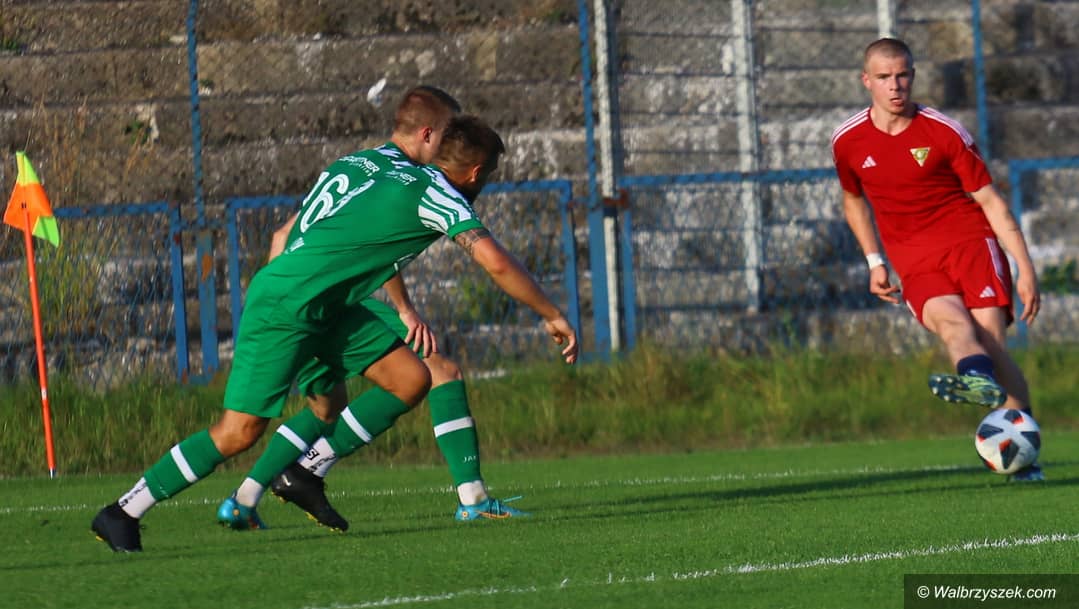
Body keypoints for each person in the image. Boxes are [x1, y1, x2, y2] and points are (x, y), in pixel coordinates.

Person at [90, 114, 579, 552]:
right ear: (475, 174)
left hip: (329, 305)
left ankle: (302, 471)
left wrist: (401, 306)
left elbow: (329, 237)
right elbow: (495, 261)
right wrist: (552, 313)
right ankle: (124, 511)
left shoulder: (387, 170)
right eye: (488, 176)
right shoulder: (439, 194)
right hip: (290, 303)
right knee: (239, 431)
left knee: (410, 378)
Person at [257, 87, 528, 532]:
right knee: (419, 378)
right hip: (322, 300)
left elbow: (285, 236)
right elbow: (373, 246)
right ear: (428, 134)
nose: (450, 145)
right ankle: (296, 473)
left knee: (344, 400)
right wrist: (403, 309)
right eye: (447, 134)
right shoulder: (409, 178)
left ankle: (250, 493)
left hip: (299, 294)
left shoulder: (365, 163)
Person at [831, 37, 1044, 481]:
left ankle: (1020, 446)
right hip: (914, 261)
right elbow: (853, 201)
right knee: (952, 327)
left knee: (991, 348)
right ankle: (978, 384)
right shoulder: (848, 140)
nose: (895, 85)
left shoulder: (944, 132)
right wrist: (874, 261)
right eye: (885, 77)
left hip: (971, 245)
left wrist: (1024, 268)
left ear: (913, 76)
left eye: (903, 75)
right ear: (866, 80)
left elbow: (990, 201)